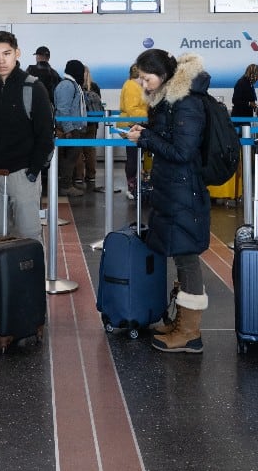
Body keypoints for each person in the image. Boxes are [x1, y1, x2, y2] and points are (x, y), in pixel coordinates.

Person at [124, 49, 211, 354]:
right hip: (173, 190)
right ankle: (182, 323)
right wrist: (146, 132)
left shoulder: (184, 103)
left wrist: (145, 140)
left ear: (162, 76)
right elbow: (171, 138)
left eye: (146, 78)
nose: (143, 84)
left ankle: (190, 332)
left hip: (184, 192)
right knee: (180, 253)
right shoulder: (168, 101)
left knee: (187, 257)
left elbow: (182, 152)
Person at [0, 31, 55, 241]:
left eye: (6, 53)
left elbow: (45, 135)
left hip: (22, 173)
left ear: (17, 53)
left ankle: (32, 275)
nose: (1, 60)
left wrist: (33, 171)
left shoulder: (33, 87)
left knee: (29, 237)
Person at [53, 60, 88, 197]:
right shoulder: (67, 86)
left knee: (72, 156)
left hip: (74, 127)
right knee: (69, 157)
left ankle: (68, 184)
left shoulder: (71, 85)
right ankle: (65, 186)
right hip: (70, 128)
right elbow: (63, 109)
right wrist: (69, 130)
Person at [118, 63, 148, 200]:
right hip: (130, 125)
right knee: (133, 158)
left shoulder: (134, 86)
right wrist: (150, 114)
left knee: (135, 157)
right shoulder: (131, 87)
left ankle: (135, 185)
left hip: (133, 124)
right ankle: (132, 187)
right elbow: (132, 109)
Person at [75, 64, 104, 191]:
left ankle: (78, 176)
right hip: (92, 123)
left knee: (78, 150)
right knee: (90, 149)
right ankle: (91, 175)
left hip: (79, 122)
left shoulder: (76, 87)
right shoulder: (95, 86)